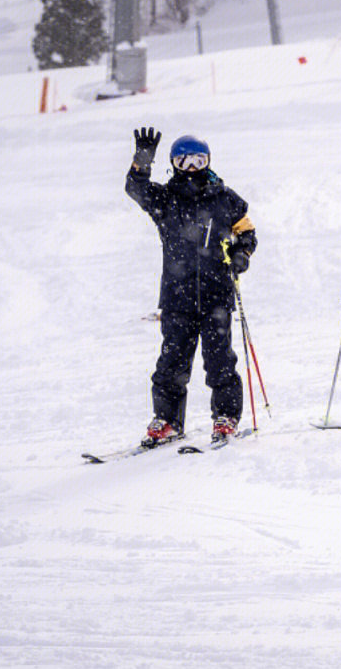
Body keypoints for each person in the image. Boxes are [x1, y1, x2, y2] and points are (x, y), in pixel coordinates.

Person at [125, 127, 257, 447]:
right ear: (174, 163)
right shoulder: (165, 199)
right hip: (177, 297)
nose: (193, 167)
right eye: (185, 161)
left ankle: (225, 417)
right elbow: (135, 188)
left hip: (217, 295)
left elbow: (247, 232)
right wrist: (143, 158)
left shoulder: (224, 198)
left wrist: (241, 255)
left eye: (199, 160)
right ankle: (168, 420)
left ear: (209, 161)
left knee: (220, 360)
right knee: (171, 363)